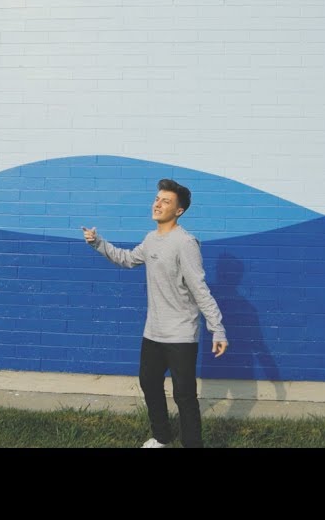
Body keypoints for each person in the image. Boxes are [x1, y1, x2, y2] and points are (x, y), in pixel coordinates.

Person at [82, 178, 228, 448]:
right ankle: (162, 436)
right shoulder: (151, 239)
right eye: (157, 199)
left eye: (166, 201)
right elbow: (127, 259)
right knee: (149, 383)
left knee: (184, 395)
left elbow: (199, 288)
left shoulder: (185, 242)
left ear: (179, 210)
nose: (158, 204)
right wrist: (97, 243)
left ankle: (192, 444)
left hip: (181, 334)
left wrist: (217, 328)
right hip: (153, 332)